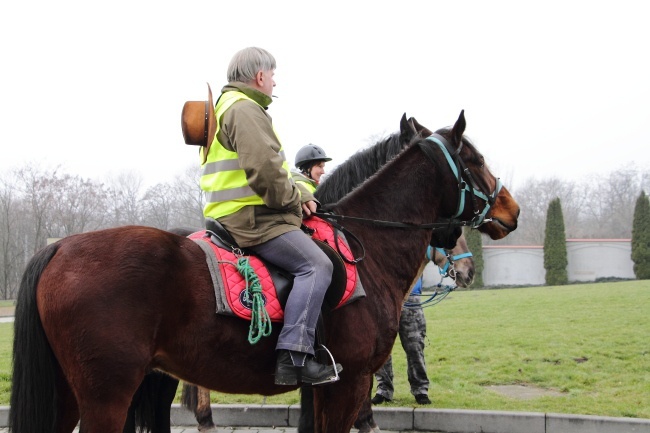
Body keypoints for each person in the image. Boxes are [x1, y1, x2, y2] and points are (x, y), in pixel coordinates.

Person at [199, 47, 342, 386]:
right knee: (317, 265)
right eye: (273, 75)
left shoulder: (225, 107)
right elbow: (265, 173)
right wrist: (295, 202)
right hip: (253, 220)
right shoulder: (246, 110)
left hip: (230, 214)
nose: (275, 82)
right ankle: (294, 357)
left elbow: (277, 170)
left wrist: (302, 190)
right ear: (260, 77)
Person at [371, 274, 431, 405]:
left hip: (410, 297)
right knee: (382, 347)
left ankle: (420, 390)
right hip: (383, 297)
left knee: (415, 346)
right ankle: (384, 390)